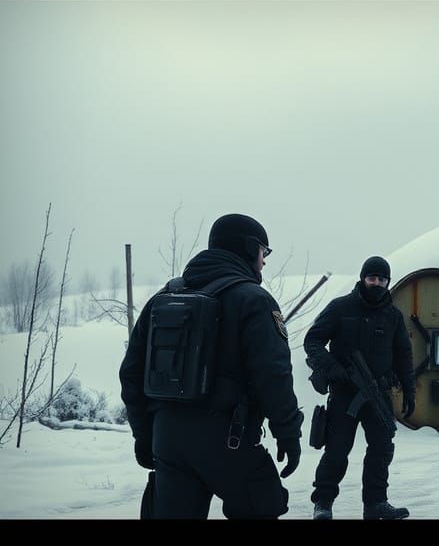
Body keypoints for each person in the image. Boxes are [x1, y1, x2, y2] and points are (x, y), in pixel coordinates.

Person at [119, 213, 303, 519]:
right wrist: (288, 433)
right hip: (227, 437)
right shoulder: (254, 299)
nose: (264, 261)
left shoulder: (163, 297)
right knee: (261, 505)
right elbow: (273, 375)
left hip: (166, 437)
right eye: (264, 252)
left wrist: (145, 435)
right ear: (249, 248)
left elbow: (131, 373)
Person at [304, 256, 416, 520]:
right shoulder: (340, 307)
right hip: (344, 394)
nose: (376, 283)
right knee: (337, 449)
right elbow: (313, 340)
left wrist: (409, 391)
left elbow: (403, 355)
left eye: (381, 279)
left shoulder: (393, 316)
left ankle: (376, 504)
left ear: (387, 282)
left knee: (382, 448)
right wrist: (333, 369)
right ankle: (323, 502)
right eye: (371, 278)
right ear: (363, 278)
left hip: (379, 393)